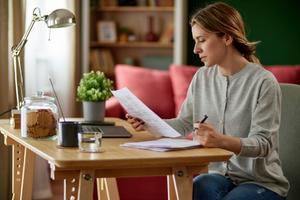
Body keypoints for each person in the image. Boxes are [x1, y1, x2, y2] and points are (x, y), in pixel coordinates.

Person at [126, 2, 289, 200]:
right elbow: (184, 123)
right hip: (218, 175)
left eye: (202, 40)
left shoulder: (263, 82)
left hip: (260, 182)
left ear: (227, 38)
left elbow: (264, 144)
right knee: (194, 189)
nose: (196, 49)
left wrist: (222, 141)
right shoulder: (202, 77)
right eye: (195, 41)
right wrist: (149, 123)